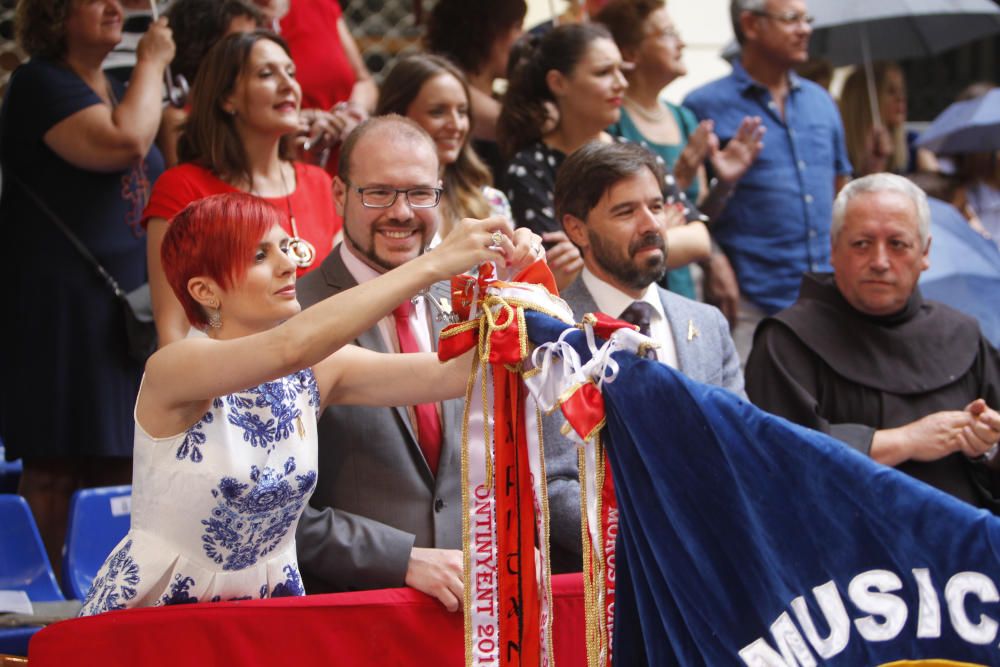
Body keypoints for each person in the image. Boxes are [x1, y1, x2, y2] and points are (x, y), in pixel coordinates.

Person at [78, 183, 542, 615]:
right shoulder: (174, 366)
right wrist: (433, 263)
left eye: (286, 247)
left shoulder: (317, 368)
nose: (287, 265)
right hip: (163, 614)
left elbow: (460, 373)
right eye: (260, 255)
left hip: (267, 608)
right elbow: (289, 347)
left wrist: (514, 286)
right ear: (204, 290)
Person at [0, 0, 173, 573]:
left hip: (122, 311)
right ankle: (38, 607)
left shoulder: (119, 84)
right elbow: (120, 143)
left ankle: (107, 602)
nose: (114, 7)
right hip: (57, 311)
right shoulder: (39, 83)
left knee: (119, 463)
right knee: (55, 465)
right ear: (55, 13)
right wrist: (152, 59)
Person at [294, 116, 474, 608]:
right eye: (378, 193)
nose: (401, 213)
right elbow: (270, 511)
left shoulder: (471, 303)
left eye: (419, 193)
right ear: (338, 195)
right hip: (348, 618)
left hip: (473, 620)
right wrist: (401, 559)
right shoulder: (295, 317)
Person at [745, 173, 1000, 511]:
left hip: (958, 549)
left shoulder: (963, 335)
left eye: (897, 244)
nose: (880, 262)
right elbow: (779, 459)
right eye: (862, 244)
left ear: (924, 252)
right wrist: (905, 441)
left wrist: (988, 446)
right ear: (834, 250)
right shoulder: (787, 340)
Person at [545, 141, 744, 572]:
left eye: (656, 206)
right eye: (625, 212)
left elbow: (738, 448)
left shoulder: (707, 324)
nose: (651, 225)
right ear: (577, 230)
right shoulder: (549, 336)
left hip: (716, 567)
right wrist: (658, 541)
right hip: (608, 588)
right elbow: (552, 483)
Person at [143, 30, 341, 347]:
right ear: (226, 98)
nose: (288, 84)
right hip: (226, 381)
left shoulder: (318, 182)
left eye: (291, 73)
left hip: (324, 375)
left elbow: (341, 304)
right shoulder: (182, 187)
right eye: (266, 74)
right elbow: (173, 332)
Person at [683, 0, 852, 361]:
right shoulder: (702, 105)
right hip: (746, 303)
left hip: (827, 299)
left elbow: (842, 189)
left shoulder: (822, 102)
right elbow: (683, 208)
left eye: (807, 19)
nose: (805, 29)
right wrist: (712, 259)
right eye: (792, 19)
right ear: (751, 24)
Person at [499, 22, 709, 291]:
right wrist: (660, 233)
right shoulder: (531, 167)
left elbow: (699, 239)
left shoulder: (636, 152)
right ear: (558, 82)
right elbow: (555, 268)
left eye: (621, 70)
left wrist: (596, 249)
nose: (621, 83)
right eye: (604, 73)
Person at [595, 0, 764, 311]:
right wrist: (679, 178)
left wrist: (724, 183)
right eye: (668, 33)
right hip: (634, 288)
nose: (681, 42)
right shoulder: (613, 122)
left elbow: (698, 213)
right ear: (630, 53)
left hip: (684, 284)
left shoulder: (683, 118)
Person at [375, 55, 510, 240]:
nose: (456, 125)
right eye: (438, 112)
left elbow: (511, 269)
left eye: (462, 112)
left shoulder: (491, 203)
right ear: (397, 115)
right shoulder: (374, 206)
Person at [425, 0, 527, 187]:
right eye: (517, 27)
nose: (524, 37)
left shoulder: (495, 96)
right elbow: (519, 125)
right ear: (489, 33)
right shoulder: (450, 91)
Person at [157, 0, 264, 167]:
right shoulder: (177, 117)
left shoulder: (256, 106)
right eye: (239, 43)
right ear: (200, 48)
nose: (255, 52)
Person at [838, 62, 937, 177]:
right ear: (864, 99)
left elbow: (938, 187)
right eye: (890, 91)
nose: (901, 98)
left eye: (902, 90)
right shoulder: (840, 149)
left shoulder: (915, 146)